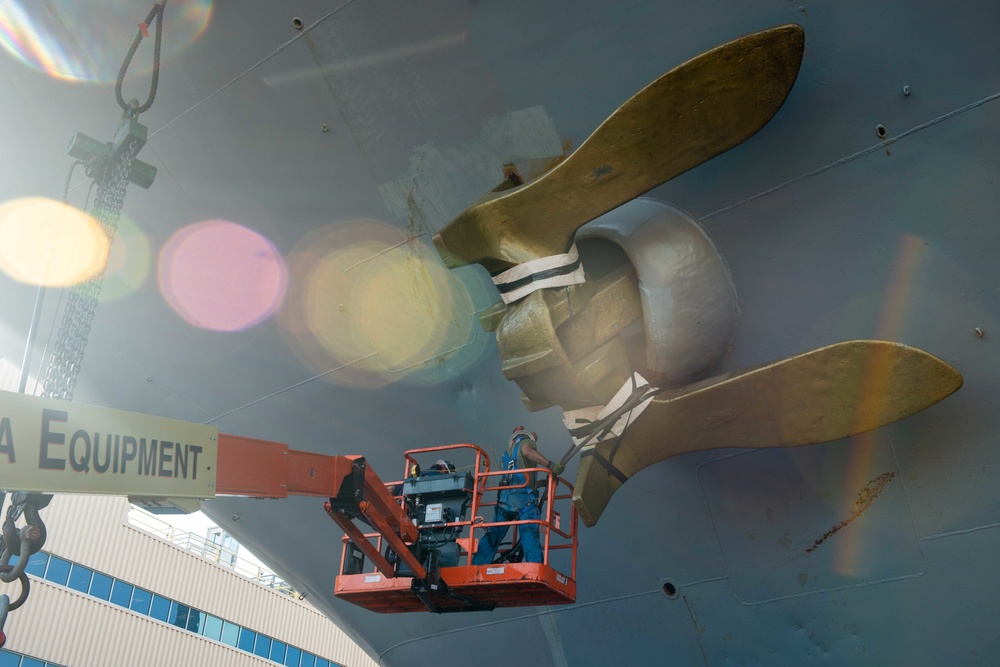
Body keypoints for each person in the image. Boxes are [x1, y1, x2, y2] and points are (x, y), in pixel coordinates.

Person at [473, 427, 565, 565]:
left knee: (493, 535)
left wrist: (543, 483)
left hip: (504, 502)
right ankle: (534, 567)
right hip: (524, 502)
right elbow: (528, 452)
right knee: (529, 534)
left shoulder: (506, 455)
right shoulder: (526, 443)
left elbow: (519, 479)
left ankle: (477, 567)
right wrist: (550, 465)